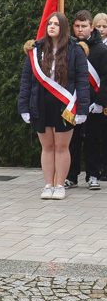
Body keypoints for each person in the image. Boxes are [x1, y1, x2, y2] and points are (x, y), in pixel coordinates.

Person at [18, 12, 89, 200]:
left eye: (56, 24)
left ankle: (60, 185)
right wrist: (23, 107)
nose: (51, 27)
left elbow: (82, 81)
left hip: (64, 106)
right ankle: (48, 185)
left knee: (61, 147)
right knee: (47, 147)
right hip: (41, 104)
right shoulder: (36, 50)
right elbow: (27, 80)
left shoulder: (75, 50)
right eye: (50, 23)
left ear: (63, 27)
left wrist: (82, 109)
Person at [67, 10, 107, 189]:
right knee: (72, 141)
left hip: (93, 104)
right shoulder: (69, 47)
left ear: (92, 27)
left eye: (84, 26)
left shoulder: (101, 49)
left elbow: (105, 78)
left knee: (93, 140)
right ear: (73, 27)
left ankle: (93, 175)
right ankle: (71, 176)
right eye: (77, 26)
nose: (80, 30)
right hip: (73, 103)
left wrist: (100, 102)